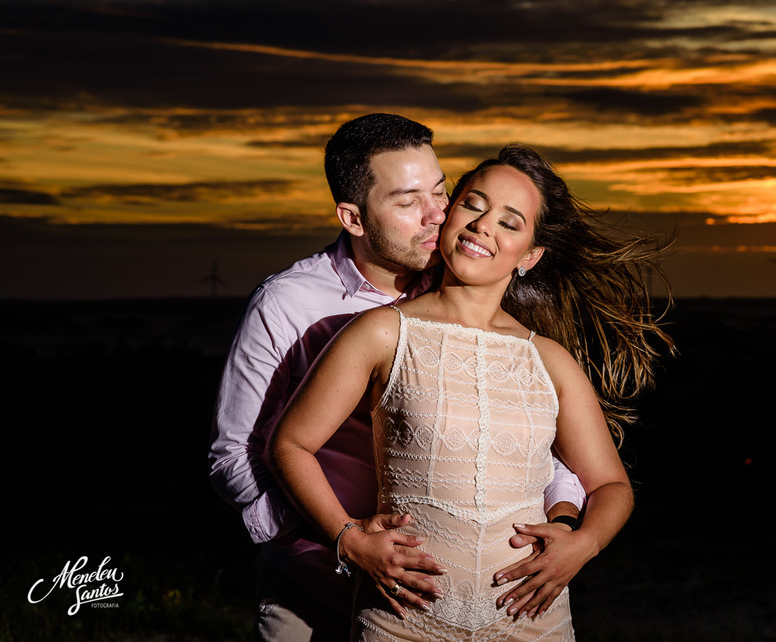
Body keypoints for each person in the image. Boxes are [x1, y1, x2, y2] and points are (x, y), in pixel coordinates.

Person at [270, 144, 672, 641]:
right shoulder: (379, 332)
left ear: (530, 255)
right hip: (402, 622)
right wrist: (348, 538)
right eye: (474, 205)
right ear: (449, 215)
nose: (484, 225)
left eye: (510, 221)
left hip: (531, 625)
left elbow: (612, 487)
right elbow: (290, 445)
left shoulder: (550, 360)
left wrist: (583, 542)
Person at [209, 116, 585, 642]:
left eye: (441, 191)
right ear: (353, 217)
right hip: (316, 587)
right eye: (409, 203)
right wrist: (343, 540)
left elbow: (532, 426)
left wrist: (564, 518)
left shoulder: (474, 280)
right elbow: (235, 458)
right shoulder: (288, 304)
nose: (438, 215)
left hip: (466, 598)